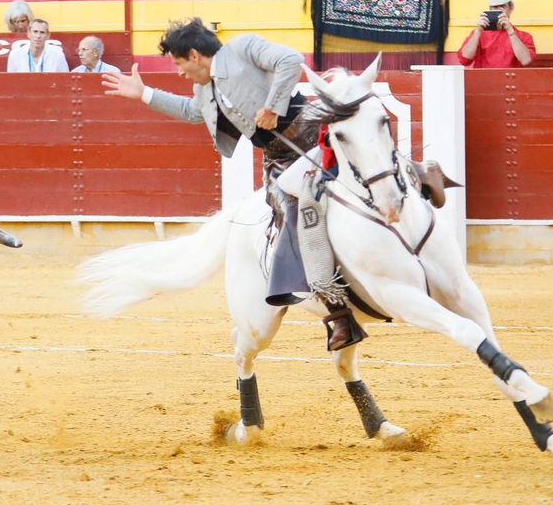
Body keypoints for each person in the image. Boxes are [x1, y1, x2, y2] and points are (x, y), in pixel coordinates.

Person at [103, 18, 383, 351]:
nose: (179, 73)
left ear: (194, 55)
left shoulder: (242, 48)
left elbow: (290, 61)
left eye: (179, 64)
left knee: (374, 169)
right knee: (288, 220)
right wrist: (145, 94)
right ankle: (338, 314)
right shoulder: (203, 88)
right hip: (277, 159)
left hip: (312, 136)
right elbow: (194, 113)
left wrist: (273, 107)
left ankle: (422, 182)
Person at [459, 0, 535, 66]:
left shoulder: (523, 36)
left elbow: (526, 61)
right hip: (484, 77)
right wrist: (478, 31)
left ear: (511, 8)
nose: (499, 10)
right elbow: (464, 59)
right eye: (495, 7)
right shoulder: (478, 34)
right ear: (490, 10)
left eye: (503, 6)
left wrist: (510, 31)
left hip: (510, 77)